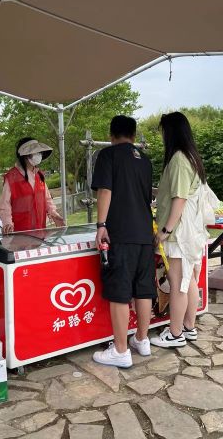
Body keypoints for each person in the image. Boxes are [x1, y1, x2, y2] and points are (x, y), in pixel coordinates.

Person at [91, 115, 155, 368]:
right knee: (143, 288)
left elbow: (105, 190)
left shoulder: (108, 155)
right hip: (144, 233)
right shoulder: (145, 160)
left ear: (111, 134)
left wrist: (101, 225)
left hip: (121, 232)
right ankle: (141, 339)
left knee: (120, 290)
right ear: (133, 134)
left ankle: (120, 350)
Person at [151, 112, 217, 348]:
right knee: (188, 281)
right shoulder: (190, 157)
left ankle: (175, 333)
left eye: (163, 131)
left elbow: (179, 199)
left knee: (178, 282)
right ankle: (189, 327)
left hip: (179, 233)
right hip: (190, 231)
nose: (162, 136)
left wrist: (165, 230)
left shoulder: (179, 159)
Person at [0, 137, 65, 234]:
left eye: (40, 153)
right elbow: (4, 205)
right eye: (35, 152)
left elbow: (47, 199)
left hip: (40, 230)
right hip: (20, 234)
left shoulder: (39, 175)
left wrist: (53, 213)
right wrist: (7, 222)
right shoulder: (12, 177)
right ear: (25, 155)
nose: (39, 155)